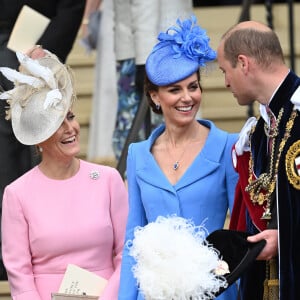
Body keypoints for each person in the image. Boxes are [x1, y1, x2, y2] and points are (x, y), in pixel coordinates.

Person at [118, 16, 239, 300]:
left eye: (193, 86)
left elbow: (240, 233)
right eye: (175, 89)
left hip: (214, 291)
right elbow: (132, 240)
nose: (187, 97)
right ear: (155, 97)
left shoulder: (227, 146)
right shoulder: (138, 154)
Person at [0, 50, 128, 300]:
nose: (71, 129)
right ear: (39, 138)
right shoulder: (17, 194)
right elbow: (19, 271)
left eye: (70, 117)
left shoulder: (108, 179)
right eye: (59, 123)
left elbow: (127, 252)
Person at [0, 0, 85, 280]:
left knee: (35, 144)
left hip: (35, 47)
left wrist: (43, 59)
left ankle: (40, 246)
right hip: (6, 44)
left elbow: (72, 7)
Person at [217, 20, 300, 299]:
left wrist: (287, 237)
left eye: (224, 71)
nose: (226, 82)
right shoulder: (257, 134)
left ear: (243, 63)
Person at [86, 0, 194, 164]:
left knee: (145, 135)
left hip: (149, 52)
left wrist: (145, 61)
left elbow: (144, 5)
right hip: (162, 46)